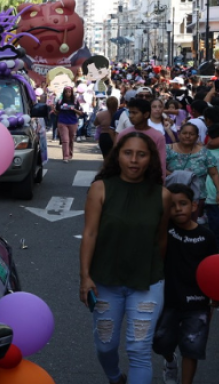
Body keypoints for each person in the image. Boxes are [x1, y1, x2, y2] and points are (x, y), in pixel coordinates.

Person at [80, 132, 172, 384]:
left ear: (150, 159)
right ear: (117, 156)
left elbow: (161, 239)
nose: (134, 160)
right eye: (127, 153)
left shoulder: (163, 195)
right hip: (104, 282)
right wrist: (85, 277)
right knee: (105, 345)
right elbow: (89, 233)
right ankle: (114, 377)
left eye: (141, 154)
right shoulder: (100, 189)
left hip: (147, 284)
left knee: (139, 350)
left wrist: (156, 273)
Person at [154, 184, 219, 384]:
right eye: (172, 205)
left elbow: (216, 269)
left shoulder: (207, 236)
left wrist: (215, 297)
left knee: (192, 346)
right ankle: (169, 360)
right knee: (161, 343)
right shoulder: (167, 230)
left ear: (193, 206)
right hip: (169, 299)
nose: (178, 209)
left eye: (183, 204)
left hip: (197, 302)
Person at [118, 98, 168, 177]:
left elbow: (161, 164)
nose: (131, 116)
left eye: (135, 113)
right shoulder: (123, 134)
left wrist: (160, 185)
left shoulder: (158, 137)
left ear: (146, 114)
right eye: (130, 112)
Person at [166, 123, 209, 207]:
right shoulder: (167, 149)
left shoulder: (205, 152)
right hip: (172, 193)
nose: (188, 136)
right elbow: (159, 168)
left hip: (198, 196)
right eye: (184, 133)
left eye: (191, 134)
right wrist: (179, 176)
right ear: (179, 135)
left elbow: (214, 173)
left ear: (197, 137)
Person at [56, 86, 84, 163]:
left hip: (73, 122)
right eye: (66, 92)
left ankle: (69, 154)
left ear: (71, 93)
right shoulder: (60, 101)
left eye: (69, 92)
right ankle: (65, 156)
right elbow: (57, 111)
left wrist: (73, 109)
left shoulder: (75, 101)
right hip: (62, 122)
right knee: (65, 140)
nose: (67, 93)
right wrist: (52, 108)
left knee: (71, 139)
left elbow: (80, 112)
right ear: (64, 93)